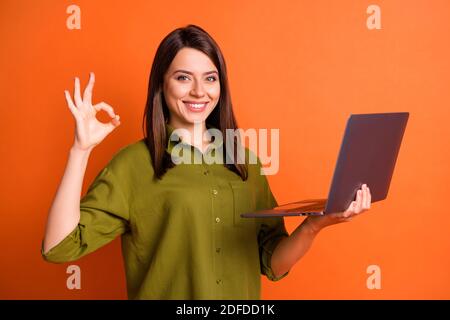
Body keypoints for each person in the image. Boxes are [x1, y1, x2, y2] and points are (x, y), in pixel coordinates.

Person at [41, 24, 371, 299]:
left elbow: (273, 263)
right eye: (183, 78)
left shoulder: (246, 163)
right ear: (161, 84)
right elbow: (59, 248)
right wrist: (80, 150)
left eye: (210, 78)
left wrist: (316, 224)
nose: (199, 91)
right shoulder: (132, 165)